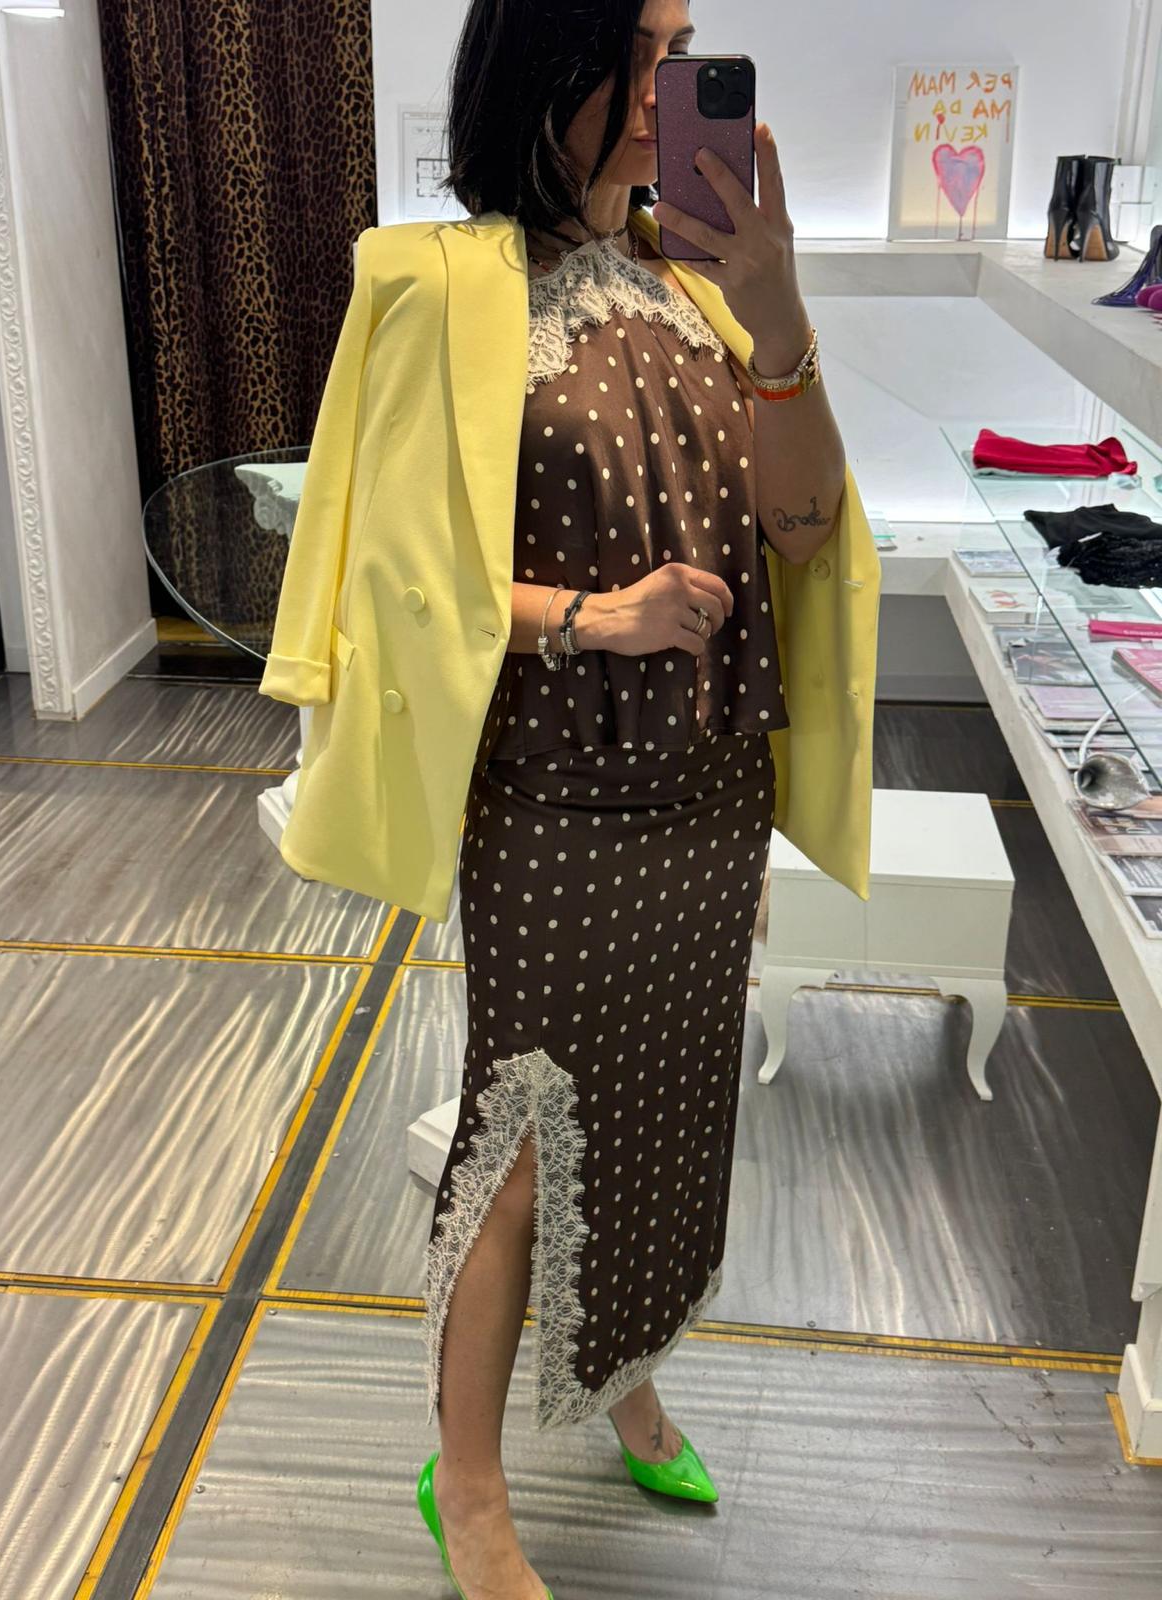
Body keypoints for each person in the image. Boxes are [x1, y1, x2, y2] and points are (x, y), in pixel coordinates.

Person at [410, 3, 869, 1597]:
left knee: (672, 1115)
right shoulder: (443, 292)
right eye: (649, 48)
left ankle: (624, 1377)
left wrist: (779, 312)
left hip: (708, 791)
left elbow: (802, 529)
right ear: (560, 65)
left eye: (691, 45)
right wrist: (590, 618)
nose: (680, 83)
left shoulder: (701, 279)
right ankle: (468, 1484)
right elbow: (398, 576)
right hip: (552, 798)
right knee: (526, 1138)